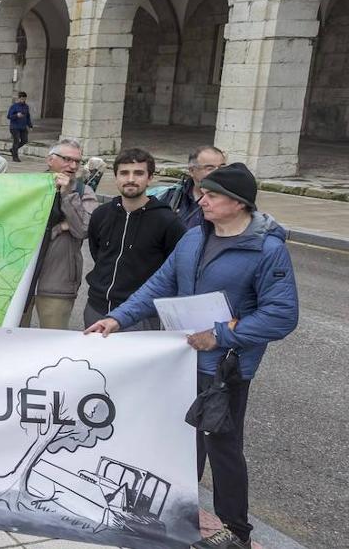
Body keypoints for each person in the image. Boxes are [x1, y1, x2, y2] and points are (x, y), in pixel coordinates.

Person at [86, 163, 299, 549]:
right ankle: (183, 519)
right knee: (184, 443)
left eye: (212, 195)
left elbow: (281, 315)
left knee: (223, 448)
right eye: (203, 192)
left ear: (239, 203)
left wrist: (217, 336)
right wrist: (117, 319)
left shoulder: (267, 250)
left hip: (226, 370)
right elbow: (159, 284)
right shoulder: (194, 238)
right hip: (183, 363)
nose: (202, 200)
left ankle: (237, 532)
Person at [83, 149, 186, 329]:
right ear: (115, 177)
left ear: (150, 178)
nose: (130, 179)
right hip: (96, 309)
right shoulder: (101, 214)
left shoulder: (167, 221)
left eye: (138, 173)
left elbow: (174, 269)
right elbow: (97, 253)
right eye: (124, 173)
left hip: (139, 316)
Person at [22, 138, 96, 330]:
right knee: (13, 340)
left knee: (52, 343)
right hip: (21, 280)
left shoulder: (82, 191)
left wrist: (67, 193)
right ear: (50, 160)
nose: (72, 166)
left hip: (58, 283)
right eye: (66, 159)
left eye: (77, 161)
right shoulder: (28, 187)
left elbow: (84, 228)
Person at [159, 145, 228, 230]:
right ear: (192, 171)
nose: (218, 172)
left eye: (222, 167)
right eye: (210, 168)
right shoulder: (173, 196)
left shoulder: (230, 201)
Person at [6, 91, 34, 162]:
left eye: (24, 99)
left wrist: (30, 126)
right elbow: (9, 116)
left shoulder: (26, 107)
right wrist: (16, 115)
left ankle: (13, 150)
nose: (23, 100)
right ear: (18, 98)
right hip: (14, 127)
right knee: (16, 141)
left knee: (25, 140)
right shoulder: (14, 106)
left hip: (23, 127)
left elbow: (28, 117)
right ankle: (15, 157)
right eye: (21, 99)